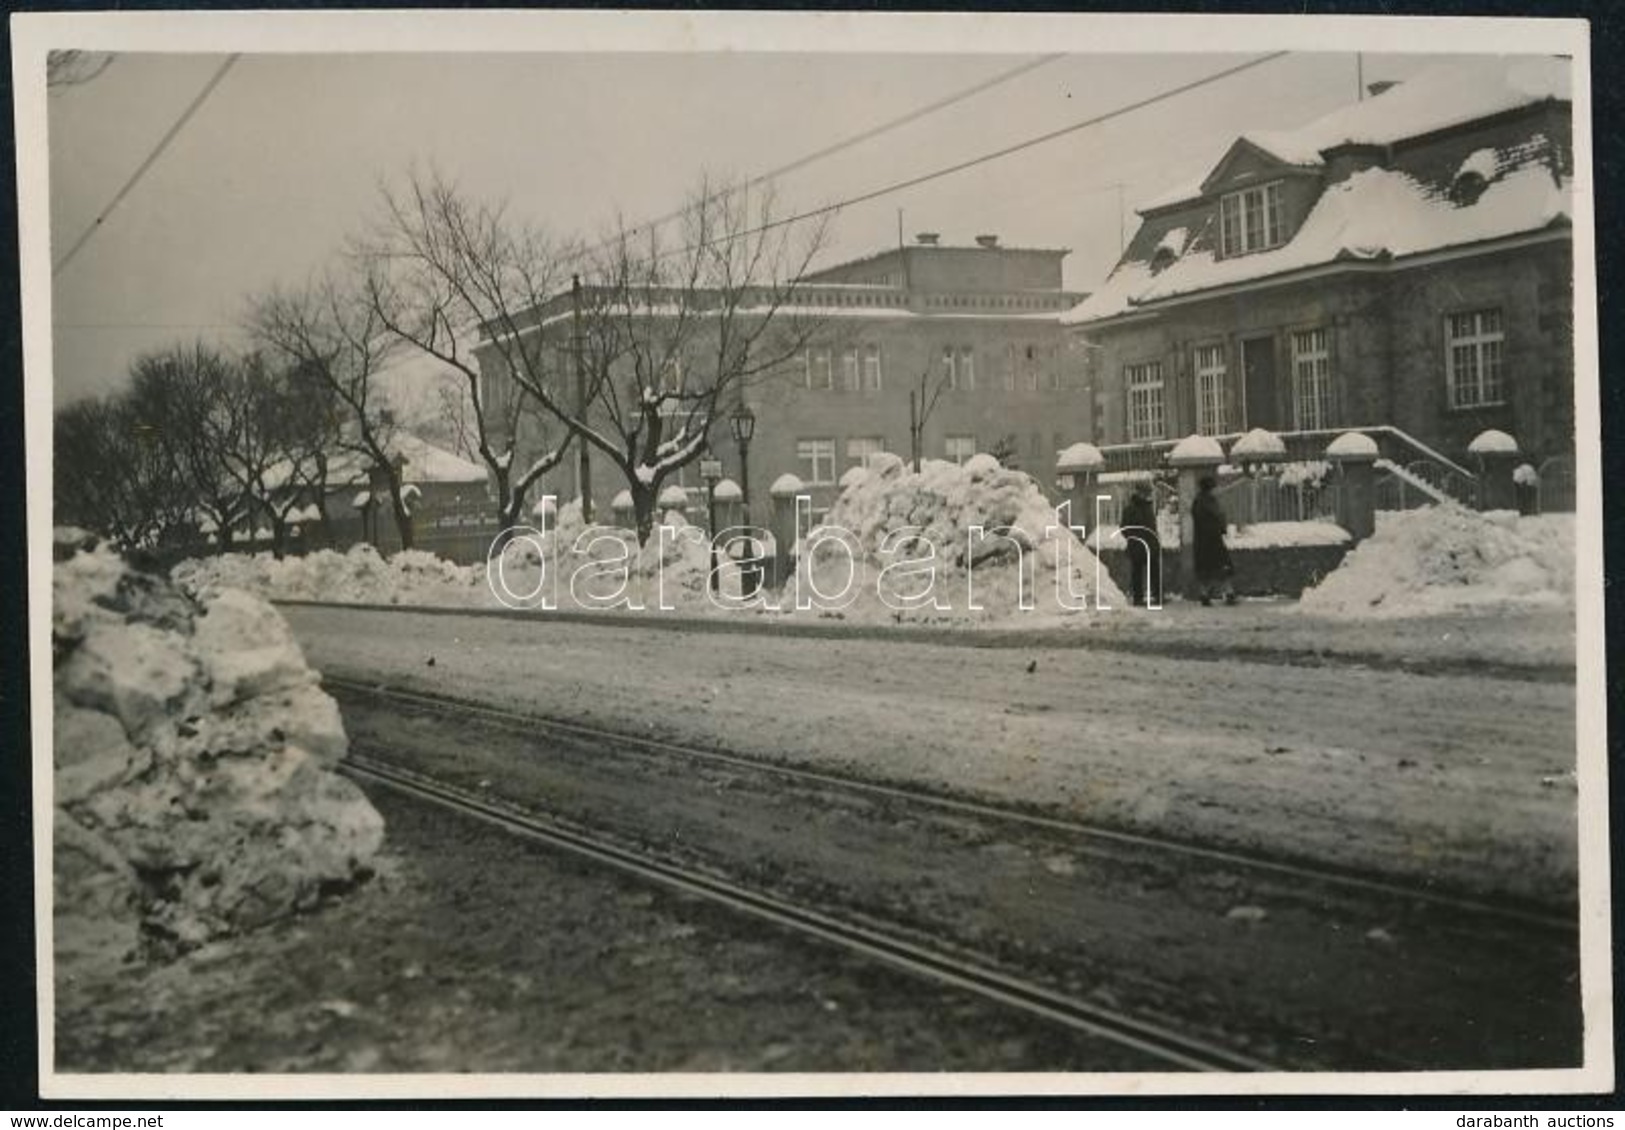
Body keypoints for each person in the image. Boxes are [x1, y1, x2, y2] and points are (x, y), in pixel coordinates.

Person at [1191, 474, 1238, 606]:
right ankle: (1228, 593)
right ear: (1210, 488)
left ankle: (1205, 594)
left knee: (1206, 569)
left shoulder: (1198, 501)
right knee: (1222, 568)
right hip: (1213, 539)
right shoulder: (1209, 501)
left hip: (1202, 540)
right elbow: (1217, 517)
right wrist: (1221, 528)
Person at [1120, 483, 1162, 607]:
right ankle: (1138, 598)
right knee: (1137, 572)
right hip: (1137, 545)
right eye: (1145, 493)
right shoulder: (1130, 509)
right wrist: (1134, 538)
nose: (1147, 495)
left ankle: (1157, 596)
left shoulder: (1149, 508)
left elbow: (1152, 527)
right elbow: (1124, 528)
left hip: (1150, 544)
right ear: (1139, 493)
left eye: (1148, 493)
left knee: (1154, 571)